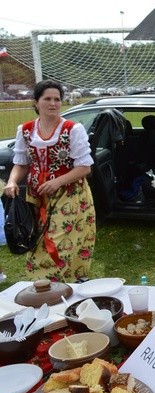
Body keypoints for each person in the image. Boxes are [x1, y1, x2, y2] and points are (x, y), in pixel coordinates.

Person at [3, 80, 96, 282]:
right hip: (37, 196)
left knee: (61, 242)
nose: (53, 103)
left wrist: (57, 182)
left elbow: (84, 167)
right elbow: (21, 164)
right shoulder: (26, 130)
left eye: (57, 99)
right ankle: (46, 288)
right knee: (36, 241)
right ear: (36, 102)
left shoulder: (73, 129)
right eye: (47, 99)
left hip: (70, 194)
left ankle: (60, 283)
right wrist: (11, 181)